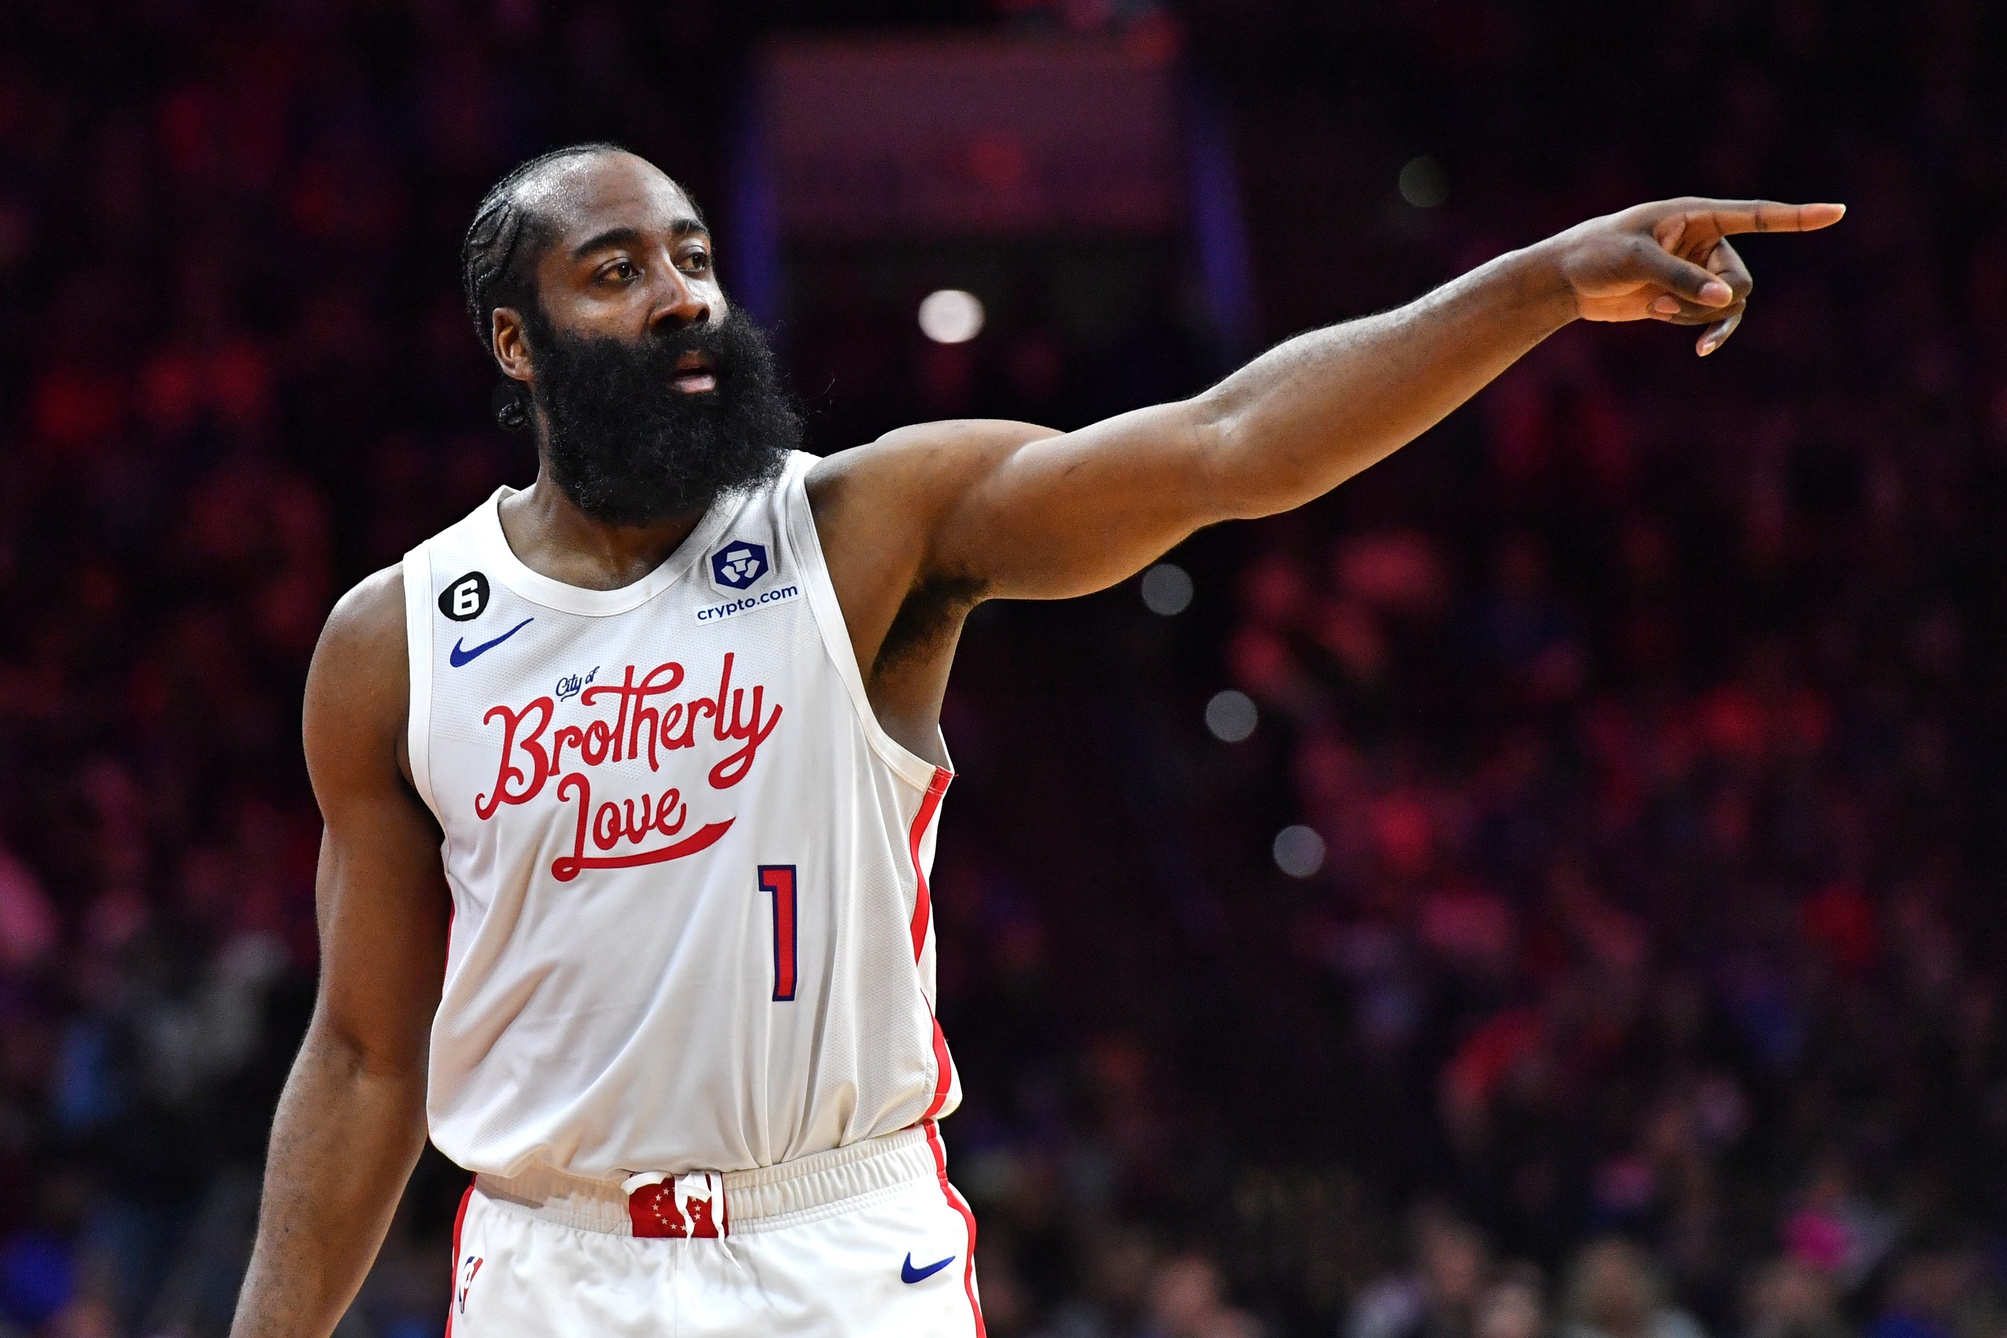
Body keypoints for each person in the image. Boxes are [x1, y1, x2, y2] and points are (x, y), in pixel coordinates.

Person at [225, 142, 1840, 1336]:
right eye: (616, 271)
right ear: (517, 345)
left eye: (692, 255)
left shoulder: (862, 527)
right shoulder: (397, 640)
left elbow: (1230, 444)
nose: (680, 298)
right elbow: (366, 1053)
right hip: (549, 1262)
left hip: (837, 1242)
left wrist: (1540, 284)